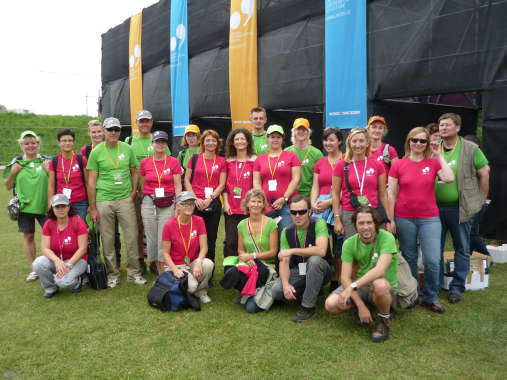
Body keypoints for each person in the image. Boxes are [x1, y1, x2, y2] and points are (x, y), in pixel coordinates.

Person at [388, 127, 454, 313]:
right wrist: (390, 219)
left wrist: (439, 154)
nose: (418, 144)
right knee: (409, 257)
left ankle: (430, 296)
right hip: (404, 217)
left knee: (433, 260)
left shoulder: (432, 163)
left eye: (422, 141)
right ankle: (412, 294)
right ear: (408, 141)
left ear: (427, 144)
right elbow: (391, 193)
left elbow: (449, 178)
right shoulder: (398, 164)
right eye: (414, 140)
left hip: (429, 218)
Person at [87, 117, 147, 288]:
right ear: (104, 131)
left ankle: (134, 273)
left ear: (120, 131)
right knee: (108, 238)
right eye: (110, 129)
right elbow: (91, 181)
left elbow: (134, 172)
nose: (113, 132)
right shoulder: (96, 151)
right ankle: (113, 274)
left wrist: (134, 192)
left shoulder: (127, 148)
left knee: (132, 236)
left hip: (125, 199)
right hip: (104, 200)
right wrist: (92, 207)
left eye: (116, 130)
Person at [436, 113, 490, 304]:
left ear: (457, 128)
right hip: (435, 208)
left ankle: (457, 287)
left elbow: (485, 172)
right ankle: (434, 286)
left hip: (460, 207)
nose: (443, 128)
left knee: (462, 247)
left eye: (447, 125)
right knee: (436, 248)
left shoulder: (470, 148)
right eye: (441, 125)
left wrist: (481, 200)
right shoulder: (435, 148)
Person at [325, 206, 398, 343]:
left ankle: (383, 320)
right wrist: (360, 305)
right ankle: (367, 308)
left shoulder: (387, 238)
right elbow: (344, 277)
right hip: (362, 286)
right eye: (361, 223)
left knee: (379, 285)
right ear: (355, 225)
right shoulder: (349, 243)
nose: (365, 227)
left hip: (384, 286)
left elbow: (379, 271)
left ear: (375, 223)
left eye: (369, 223)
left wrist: (352, 287)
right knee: (331, 304)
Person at [272, 195, 332, 322]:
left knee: (314, 260)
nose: (297, 215)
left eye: (302, 212)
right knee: (276, 291)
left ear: (310, 211)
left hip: (322, 269)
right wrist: (286, 284)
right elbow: (284, 261)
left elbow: (321, 250)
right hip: (299, 270)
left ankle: (308, 307)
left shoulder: (318, 223)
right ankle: (308, 289)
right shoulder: (286, 231)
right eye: (293, 212)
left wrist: (292, 250)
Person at [126, 110, 171, 273]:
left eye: (147, 121)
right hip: (139, 192)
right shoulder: (129, 141)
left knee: (159, 228)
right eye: (141, 121)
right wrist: (133, 190)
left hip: (159, 194)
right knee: (139, 228)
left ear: (151, 123)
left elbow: (168, 166)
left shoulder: (160, 140)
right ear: (136, 123)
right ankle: (140, 261)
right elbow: (130, 168)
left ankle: (156, 261)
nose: (144, 124)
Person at [4, 130, 50, 282]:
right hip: (24, 208)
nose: (30, 146)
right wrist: (13, 173)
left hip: (45, 207)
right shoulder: (16, 162)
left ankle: (51, 266)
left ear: (38, 144)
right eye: (26, 143)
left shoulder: (46, 161)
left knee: (50, 236)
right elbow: (8, 186)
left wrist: (48, 171)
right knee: (28, 236)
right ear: (22, 145)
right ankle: (35, 269)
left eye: (33, 143)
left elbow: (56, 181)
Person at [332, 127, 392, 240]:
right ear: (349, 143)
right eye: (354, 141)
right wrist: (337, 219)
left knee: (375, 249)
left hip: (373, 212)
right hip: (350, 213)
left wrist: (388, 219)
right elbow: (335, 194)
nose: (358, 145)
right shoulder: (341, 165)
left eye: (361, 141)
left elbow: (383, 194)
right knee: (353, 249)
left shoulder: (377, 165)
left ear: (367, 143)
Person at [139, 131, 183, 274]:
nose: (160, 144)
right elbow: (143, 184)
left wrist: (178, 204)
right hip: (149, 202)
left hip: (168, 202)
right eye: (157, 141)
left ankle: (164, 270)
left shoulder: (173, 161)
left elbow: (178, 185)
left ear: (166, 144)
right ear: (152, 143)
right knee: (151, 237)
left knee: (163, 236)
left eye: (163, 142)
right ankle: (157, 268)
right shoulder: (145, 162)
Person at [161, 191, 214, 303]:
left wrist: (199, 261)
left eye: (191, 203)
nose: (189, 206)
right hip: (176, 265)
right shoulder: (169, 225)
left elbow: (204, 247)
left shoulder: (199, 221)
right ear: (178, 206)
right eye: (185, 203)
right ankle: (188, 287)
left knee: (208, 264)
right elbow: (165, 253)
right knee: (191, 287)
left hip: (192, 262)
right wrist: (175, 269)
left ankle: (201, 292)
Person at [32, 194, 88, 298]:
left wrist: (68, 265)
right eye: (57, 207)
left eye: (63, 206)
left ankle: (76, 282)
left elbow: (83, 249)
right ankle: (51, 288)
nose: (60, 209)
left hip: (77, 261)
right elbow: (45, 248)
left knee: (62, 281)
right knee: (38, 263)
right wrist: (57, 261)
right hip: (58, 260)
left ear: (68, 207)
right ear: (52, 208)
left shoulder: (78, 221)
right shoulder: (48, 224)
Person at [184, 129, 226, 266]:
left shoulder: (221, 161)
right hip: (195, 204)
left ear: (217, 143)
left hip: (213, 203)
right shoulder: (194, 159)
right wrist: (195, 198)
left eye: (213, 140)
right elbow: (187, 181)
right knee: (194, 238)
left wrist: (210, 198)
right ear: (202, 142)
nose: (211, 143)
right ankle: (193, 267)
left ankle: (209, 272)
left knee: (211, 239)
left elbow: (222, 184)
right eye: (208, 140)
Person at [233, 189, 279, 313]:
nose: (256, 204)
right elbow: (241, 250)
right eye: (253, 201)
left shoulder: (271, 224)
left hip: (266, 266)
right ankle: (247, 290)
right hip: (249, 265)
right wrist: (247, 258)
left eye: (259, 201)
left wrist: (252, 255)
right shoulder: (241, 225)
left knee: (250, 308)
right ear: (247, 203)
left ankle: (257, 292)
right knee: (230, 272)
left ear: (264, 205)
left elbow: (273, 252)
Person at [311, 127, 344, 292]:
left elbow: (349, 186)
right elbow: (315, 186)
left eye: (332, 139)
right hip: (320, 207)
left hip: (340, 205)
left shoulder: (347, 160)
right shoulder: (320, 162)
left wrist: (330, 202)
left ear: (339, 141)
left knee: (339, 245)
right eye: (325, 140)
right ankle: (323, 274)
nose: (328, 143)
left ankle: (337, 277)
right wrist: (313, 203)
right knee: (322, 244)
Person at [253, 124, 301, 232]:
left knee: (285, 234)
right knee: (267, 237)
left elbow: (296, 179)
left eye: (278, 137)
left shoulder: (291, 156)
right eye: (272, 137)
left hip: (286, 205)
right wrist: (262, 199)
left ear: (282, 139)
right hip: (266, 205)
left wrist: (284, 198)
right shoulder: (260, 159)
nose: (275, 139)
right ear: (267, 138)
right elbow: (256, 181)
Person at [223, 128, 256, 258]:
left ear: (248, 141)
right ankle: (230, 270)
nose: (240, 141)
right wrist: (225, 203)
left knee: (249, 240)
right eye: (236, 139)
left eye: (242, 138)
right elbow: (224, 185)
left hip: (249, 208)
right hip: (231, 207)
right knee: (231, 241)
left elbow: (257, 184)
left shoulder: (255, 161)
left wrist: (251, 204)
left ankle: (247, 271)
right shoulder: (228, 162)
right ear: (232, 142)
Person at [48, 129, 88, 221]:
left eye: (70, 140)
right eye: (64, 141)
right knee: (64, 231)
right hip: (60, 203)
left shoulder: (81, 160)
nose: (67, 143)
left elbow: (88, 183)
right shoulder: (54, 161)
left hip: (80, 203)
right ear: (59, 143)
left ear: (73, 142)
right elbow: (51, 185)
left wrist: (92, 205)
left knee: (79, 231)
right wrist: (50, 204)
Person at [463, 134, 490, 256]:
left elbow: (484, 181)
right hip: (468, 202)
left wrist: (482, 201)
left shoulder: (479, 162)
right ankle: (468, 256)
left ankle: (486, 257)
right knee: (468, 231)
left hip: (478, 201)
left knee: (471, 231)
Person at [285, 118, 323, 197]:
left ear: (308, 132)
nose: (301, 131)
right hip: (290, 196)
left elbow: (320, 180)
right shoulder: (286, 152)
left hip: (309, 197)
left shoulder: (317, 154)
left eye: (304, 129)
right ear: (294, 132)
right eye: (298, 129)